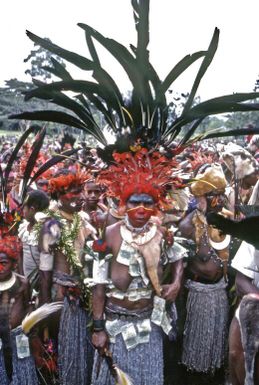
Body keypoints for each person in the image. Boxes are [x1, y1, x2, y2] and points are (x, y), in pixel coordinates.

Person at [88, 149, 186, 385]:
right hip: (116, 326)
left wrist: (176, 283)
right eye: (135, 203)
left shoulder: (161, 234)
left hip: (149, 324)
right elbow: (98, 285)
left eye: (147, 203)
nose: (141, 209)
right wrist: (99, 328)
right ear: (124, 204)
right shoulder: (109, 235)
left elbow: (179, 257)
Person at [36, 168, 97, 385]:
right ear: (58, 195)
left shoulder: (83, 218)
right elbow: (45, 272)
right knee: (60, 342)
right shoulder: (51, 224)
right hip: (59, 294)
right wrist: (45, 309)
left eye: (81, 190)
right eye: (73, 192)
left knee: (83, 341)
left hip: (83, 290)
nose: (80, 196)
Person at [178, 163, 230, 383]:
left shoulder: (228, 218)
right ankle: (194, 372)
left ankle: (213, 370)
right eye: (213, 195)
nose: (219, 199)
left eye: (221, 194)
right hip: (199, 292)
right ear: (202, 198)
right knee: (197, 342)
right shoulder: (188, 225)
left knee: (216, 341)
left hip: (221, 290)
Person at [0, 235, 39, 385]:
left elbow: (29, 306)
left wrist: (32, 333)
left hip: (18, 337)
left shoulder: (22, 283)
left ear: (14, 264)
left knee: (22, 373)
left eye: (4, 263)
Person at [18, 190, 50, 280]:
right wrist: (22, 277)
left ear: (32, 209)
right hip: (26, 279)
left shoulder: (45, 232)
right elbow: (20, 253)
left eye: (24, 208)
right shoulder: (23, 227)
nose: (23, 211)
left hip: (41, 282)